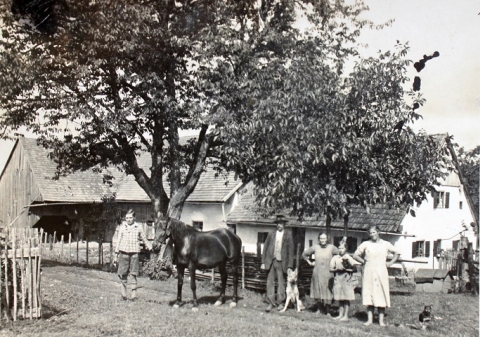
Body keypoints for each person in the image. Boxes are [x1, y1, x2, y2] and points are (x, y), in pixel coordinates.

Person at [352, 225, 400, 326]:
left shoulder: (385, 244)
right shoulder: (366, 244)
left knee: (380, 294)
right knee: (369, 294)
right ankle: (369, 320)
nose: (372, 234)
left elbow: (397, 253)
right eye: (370, 233)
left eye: (374, 232)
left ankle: (381, 321)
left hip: (381, 271)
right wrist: (363, 261)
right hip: (369, 271)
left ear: (378, 232)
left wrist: (390, 263)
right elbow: (355, 255)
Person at [113, 209, 152, 301]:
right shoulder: (122, 227)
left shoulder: (138, 227)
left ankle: (133, 296)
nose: (128, 219)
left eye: (130, 217)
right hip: (123, 253)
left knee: (134, 274)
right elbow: (118, 241)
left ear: (134, 218)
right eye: (127, 218)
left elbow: (144, 239)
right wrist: (116, 254)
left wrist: (151, 248)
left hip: (134, 254)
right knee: (123, 274)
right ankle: (123, 295)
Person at [261, 215, 294, 312]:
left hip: (282, 263)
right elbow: (265, 248)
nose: (279, 225)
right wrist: (263, 262)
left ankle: (280, 302)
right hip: (271, 261)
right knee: (270, 282)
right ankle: (271, 302)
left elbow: (291, 252)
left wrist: (290, 266)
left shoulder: (288, 235)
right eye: (278, 223)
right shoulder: (271, 234)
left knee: (281, 283)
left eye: (281, 223)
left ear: (284, 225)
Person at [302, 233, 338, 316]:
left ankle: (328, 311)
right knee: (317, 290)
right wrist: (310, 262)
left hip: (328, 273)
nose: (323, 240)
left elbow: (340, 254)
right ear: (319, 239)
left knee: (328, 291)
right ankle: (319, 309)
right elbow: (304, 254)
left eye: (324, 238)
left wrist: (335, 264)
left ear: (327, 239)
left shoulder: (332, 247)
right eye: (321, 238)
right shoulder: (315, 247)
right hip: (317, 272)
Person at [330, 242, 359, 321]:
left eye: (342, 248)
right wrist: (336, 269)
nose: (341, 250)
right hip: (338, 278)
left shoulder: (348, 257)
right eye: (339, 248)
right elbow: (331, 269)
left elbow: (355, 268)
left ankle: (345, 316)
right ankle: (340, 314)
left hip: (347, 279)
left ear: (345, 249)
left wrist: (348, 269)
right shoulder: (335, 258)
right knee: (340, 297)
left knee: (346, 297)